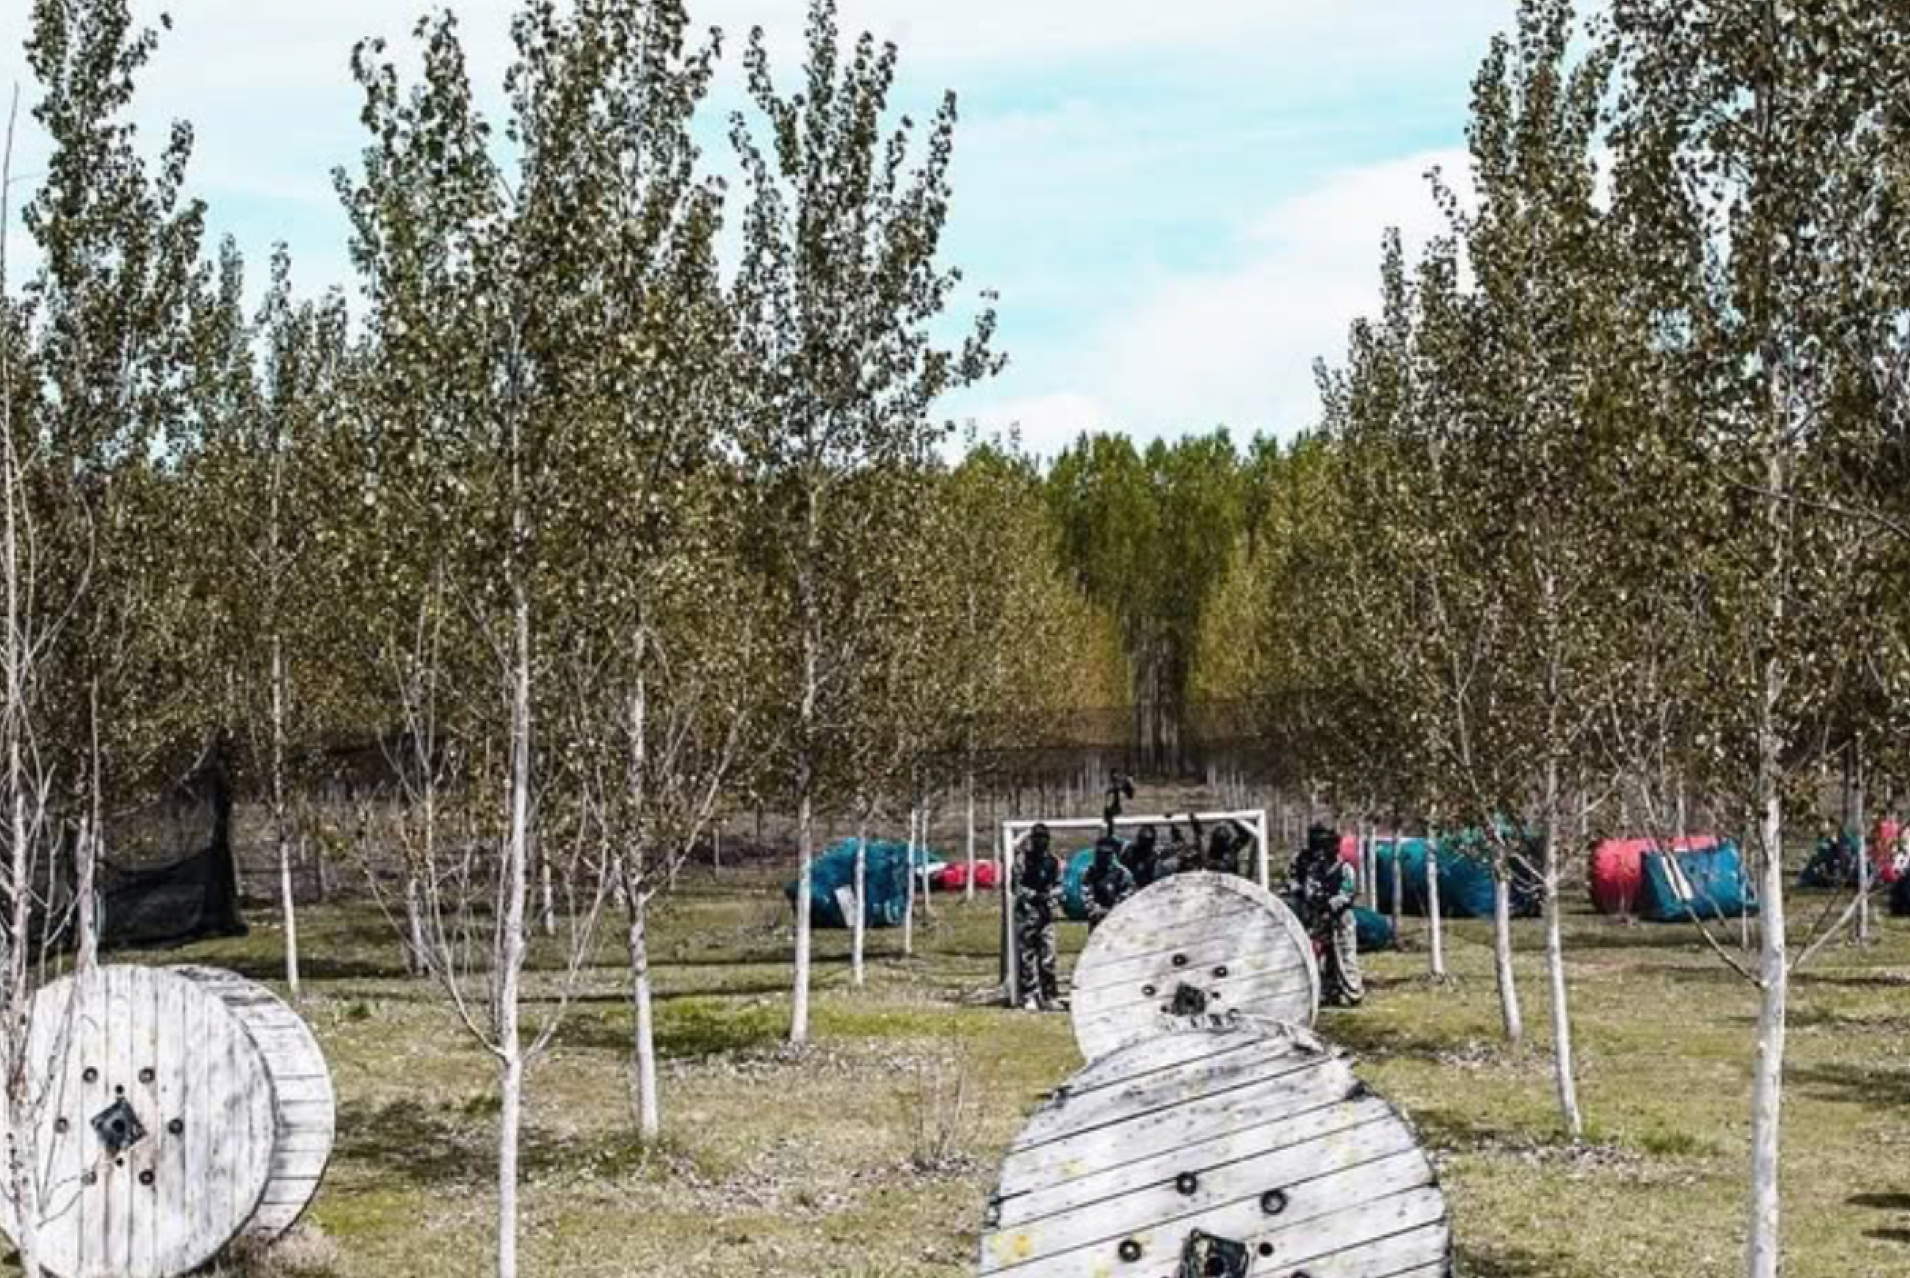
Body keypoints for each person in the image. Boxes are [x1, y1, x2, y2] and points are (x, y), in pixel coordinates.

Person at [1287, 824, 1363, 1007]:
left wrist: (1332, 904)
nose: (1326, 851)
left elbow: (1349, 891)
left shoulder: (1345, 868)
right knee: (1325, 955)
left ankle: (1353, 992)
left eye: (1329, 846)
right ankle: (1330, 991)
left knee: (1345, 953)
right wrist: (1315, 900)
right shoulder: (1313, 866)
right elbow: (1306, 886)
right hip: (1319, 915)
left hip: (1342, 917)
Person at [1014, 823, 1064, 1010]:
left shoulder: (1054, 861)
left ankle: (1049, 995)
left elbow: (1060, 885)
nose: (1041, 841)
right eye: (1037, 838)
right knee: (1027, 956)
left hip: (1046, 914)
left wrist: (1052, 896)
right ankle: (1029, 995)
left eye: (1044, 838)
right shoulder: (1023, 860)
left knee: (1048, 956)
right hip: (1027, 913)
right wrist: (1034, 895)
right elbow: (1017, 887)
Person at [1083, 834, 1137, 929]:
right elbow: (1086, 891)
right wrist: (1093, 907)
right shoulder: (1090, 872)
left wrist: (1117, 907)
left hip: (1117, 917)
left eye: (1106, 854)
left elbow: (1130, 891)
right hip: (1096, 917)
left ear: (1112, 855)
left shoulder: (1121, 872)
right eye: (1100, 854)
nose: (1103, 858)